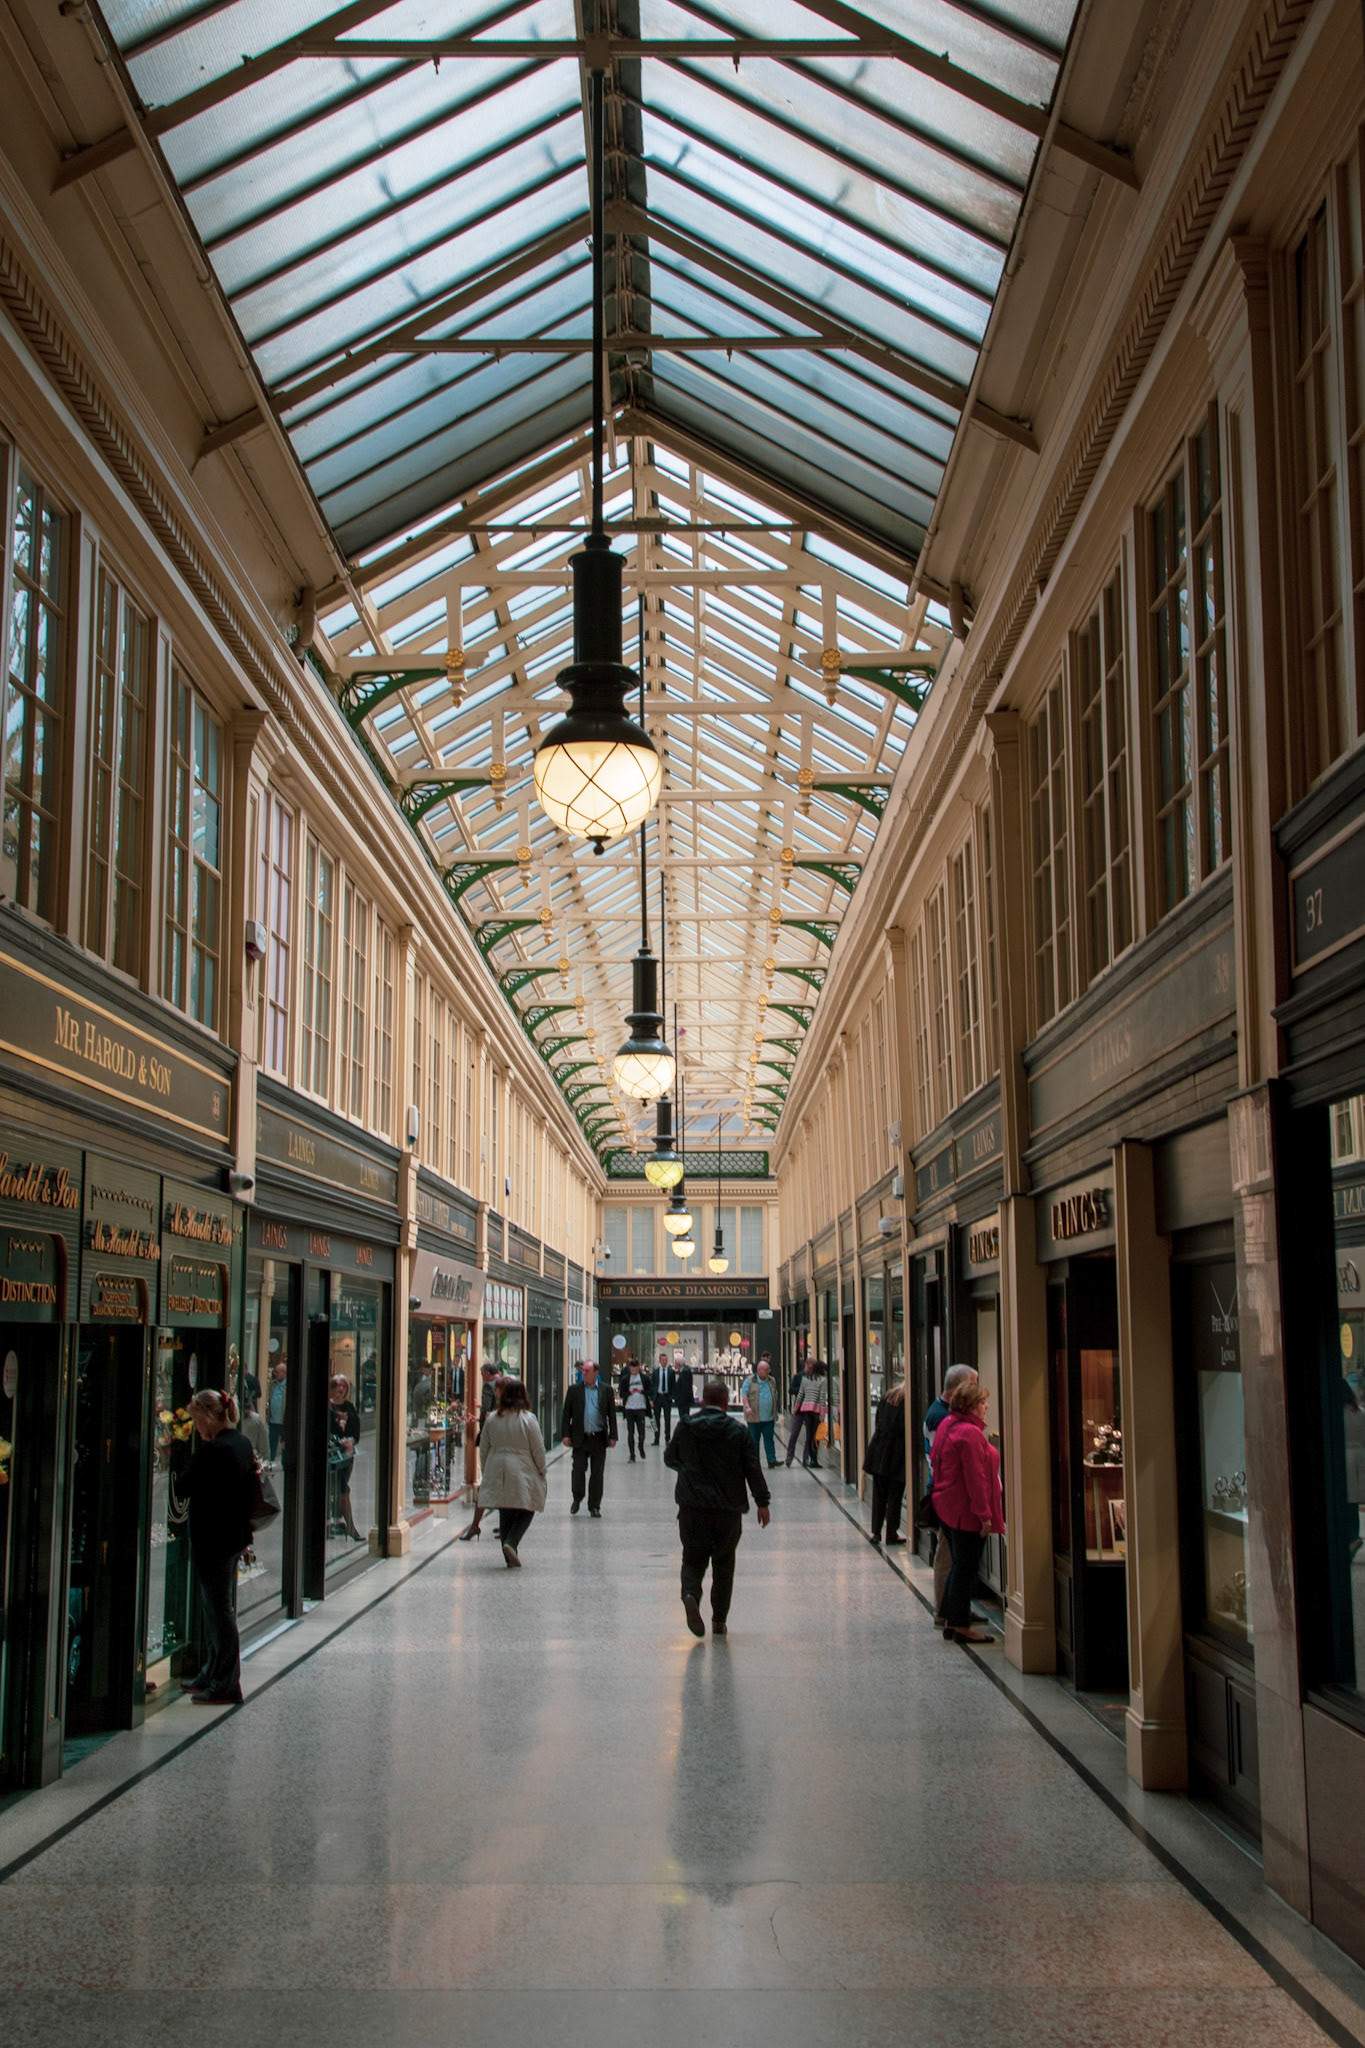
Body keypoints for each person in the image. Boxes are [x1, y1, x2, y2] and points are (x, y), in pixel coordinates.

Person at [664, 1377, 771, 1637]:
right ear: (726, 1403)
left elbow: (670, 1458)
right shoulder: (737, 1431)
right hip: (727, 1509)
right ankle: (718, 1620)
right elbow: (752, 1468)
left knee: (692, 1559)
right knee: (724, 1564)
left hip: (692, 1508)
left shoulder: (686, 1427)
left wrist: (688, 1470)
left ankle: (690, 1594)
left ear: (702, 1400)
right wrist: (762, 1502)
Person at [178, 1388, 254, 1704]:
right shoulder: (241, 1443)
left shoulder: (215, 1451)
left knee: (219, 1612)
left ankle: (225, 1683)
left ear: (210, 1417)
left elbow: (183, 1485)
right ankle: (212, 1672)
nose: (196, 1428)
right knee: (215, 1609)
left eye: (197, 1421)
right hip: (233, 1537)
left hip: (215, 1541)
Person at [932, 1378, 1004, 1645]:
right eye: (983, 1402)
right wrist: (984, 1515)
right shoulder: (970, 1434)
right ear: (972, 1406)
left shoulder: (948, 1425)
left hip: (946, 1506)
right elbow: (976, 1478)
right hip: (964, 1512)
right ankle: (960, 1625)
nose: (986, 1407)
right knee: (966, 1568)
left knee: (959, 1566)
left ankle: (951, 1618)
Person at [475, 1375, 548, 1568]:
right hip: (522, 1468)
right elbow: (538, 1448)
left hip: (497, 1467)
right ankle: (511, 1542)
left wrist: (486, 1470)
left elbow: (484, 1448)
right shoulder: (528, 1419)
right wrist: (542, 1469)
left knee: (505, 1509)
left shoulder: (492, 1420)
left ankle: (509, 1556)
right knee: (528, 1506)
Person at [925, 1364, 978, 1623]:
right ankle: (944, 1611)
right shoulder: (940, 1418)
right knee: (948, 1556)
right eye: (973, 1384)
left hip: (948, 1497)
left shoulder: (947, 1416)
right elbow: (941, 1461)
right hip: (947, 1500)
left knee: (956, 1558)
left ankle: (955, 1609)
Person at [560, 1359, 617, 1516]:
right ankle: (577, 1497)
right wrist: (565, 1434)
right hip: (580, 1436)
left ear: (596, 1372)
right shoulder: (574, 1390)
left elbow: (611, 1414)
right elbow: (566, 1414)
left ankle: (594, 1506)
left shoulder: (606, 1390)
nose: (583, 1373)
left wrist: (613, 1436)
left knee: (597, 1473)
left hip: (598, 1437)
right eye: (582, 1370)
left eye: (586, 1371)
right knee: (578, 1469)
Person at [459, 1365, 502, 1541]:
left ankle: (475, 1526)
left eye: (482, 1374)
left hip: (492, 1441)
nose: (482, 1378)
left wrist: (483, 1416)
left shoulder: (489, 1386)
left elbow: (487, 1412)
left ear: (487, 1374)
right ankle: (502, 1525)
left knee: (487, 1485)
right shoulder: (505, 1383)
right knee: (499, 1485)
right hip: (501, 1443)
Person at [863, 1381, 907, 1544]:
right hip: (896, 1454)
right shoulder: (906, 1404)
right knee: (894, 1496)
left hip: (878, 1451)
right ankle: (891, 1532)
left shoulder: (887, 1398)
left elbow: (878, 1422)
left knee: (879, 1495)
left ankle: (876, 1532)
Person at [327, 1374, 363, 1542]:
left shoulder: (350, 1407)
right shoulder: (328, 1408)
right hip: (332, 1457)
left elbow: (356, 1430)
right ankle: (349, 1527)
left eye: (343, 1386)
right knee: (342, 1490)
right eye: (336, 1385)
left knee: (341, 1488)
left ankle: (337, 1523)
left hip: (347, 1458)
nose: (340, 1389)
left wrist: (351, 1441)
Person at [741, 1353, 779, 1468]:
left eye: (769, 1370)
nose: (768, 1372)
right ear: (759, 1370)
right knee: (754, 1441)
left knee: (769, 1439)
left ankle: (771, 1460)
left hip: (769, 1417)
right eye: (766, 1370)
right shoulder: (749, 1380)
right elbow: (744, 1395)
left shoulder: (772, 1380)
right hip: (754, 1417)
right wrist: (747, 1407)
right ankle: (755, 1461)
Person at [785, 1361, 826, 1469]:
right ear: (806, 1366)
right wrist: (822, 1413)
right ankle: (791, 1456)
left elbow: (800, 1395)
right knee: (797, 1433)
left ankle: (806, 1458)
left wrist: (795, 1407)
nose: (810, 1369)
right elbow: (794, 1391)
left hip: (805, 1409)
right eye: (809, 1367)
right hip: (808, 1411)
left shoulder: (808, 1379)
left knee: (809, 1436)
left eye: (812, 1367)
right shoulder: (800, 1377)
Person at [619, 1352, 652, 1461]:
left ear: (638, 1368)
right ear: (630, 1369)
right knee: (630, 1432)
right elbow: (621, 1394)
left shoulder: (645, 1379)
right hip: (629, 1409)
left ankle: (640, 1446)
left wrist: (642, 1392)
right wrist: (630, 1392)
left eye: (636, 1369)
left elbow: (650, 1391)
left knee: (641, 1431)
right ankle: (632, 1454)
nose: (634, 1371)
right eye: (632, 1369)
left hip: (641, 1408)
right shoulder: (625, 1379)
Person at [652, 1354, 677, 1445]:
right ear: (660, 1361)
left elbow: (673, 1385)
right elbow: (652, 1385)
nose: (664, 1362)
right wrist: (651, 1399)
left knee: (667, 1418)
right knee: (655, 1419)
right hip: (657, 1397)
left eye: (666, 1360)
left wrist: (672, 1397)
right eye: (663, 1360)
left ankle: (667, 1438)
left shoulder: (671, 1372)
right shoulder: (655, 1372)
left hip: (667, 1397)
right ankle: (656, 1438)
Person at [266, 1358, 287, 1467]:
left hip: (284, 1420)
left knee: (284, 1442)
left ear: (284, 1373)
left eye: (277, 1372)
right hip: (273, 1419)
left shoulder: (288, 1385)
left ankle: (285, 1462)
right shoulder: (273, 1384)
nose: (275, 1374)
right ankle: (271, 1460)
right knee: (272, 1440)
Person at [674, 1351, 695, 1422]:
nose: (675, 1365)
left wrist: (679, 1399)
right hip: (683, 1401)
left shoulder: (685, 1372)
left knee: (684, 1418)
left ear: (679, 1364)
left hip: (684, 1402)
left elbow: (685, 1389)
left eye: (675, 1363)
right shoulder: (684, 1371)